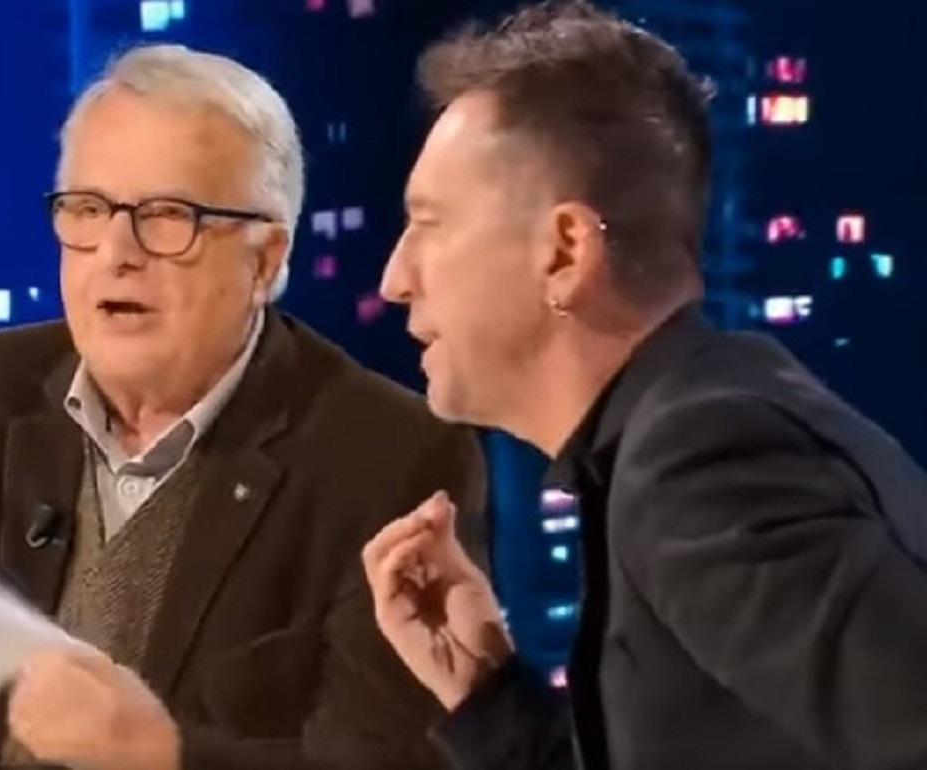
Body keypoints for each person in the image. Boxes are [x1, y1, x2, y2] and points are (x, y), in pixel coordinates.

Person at [0, 43, 489, 769]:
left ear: (265, 260)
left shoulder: (388, 459)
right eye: (88, 210)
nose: (116, 251)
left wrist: (161, 754)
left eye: (168, 216)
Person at [361, 2, 927, 769]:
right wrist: (486, 691)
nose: (395, 279)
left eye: (428, 224)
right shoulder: (687, 426)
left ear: (565, 252)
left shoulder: (698, 462)